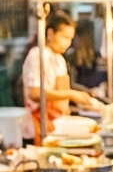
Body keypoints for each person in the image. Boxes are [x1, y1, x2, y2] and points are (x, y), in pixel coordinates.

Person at [22, 11, 95, 142]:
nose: (68, 43)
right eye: (64, 37)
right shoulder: (38, 55)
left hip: (58, 124)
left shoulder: (59, 59)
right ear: (50, 34)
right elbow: (35, 93)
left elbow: (62, 94)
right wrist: (71, 94)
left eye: (71, 39)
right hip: (39, 126)